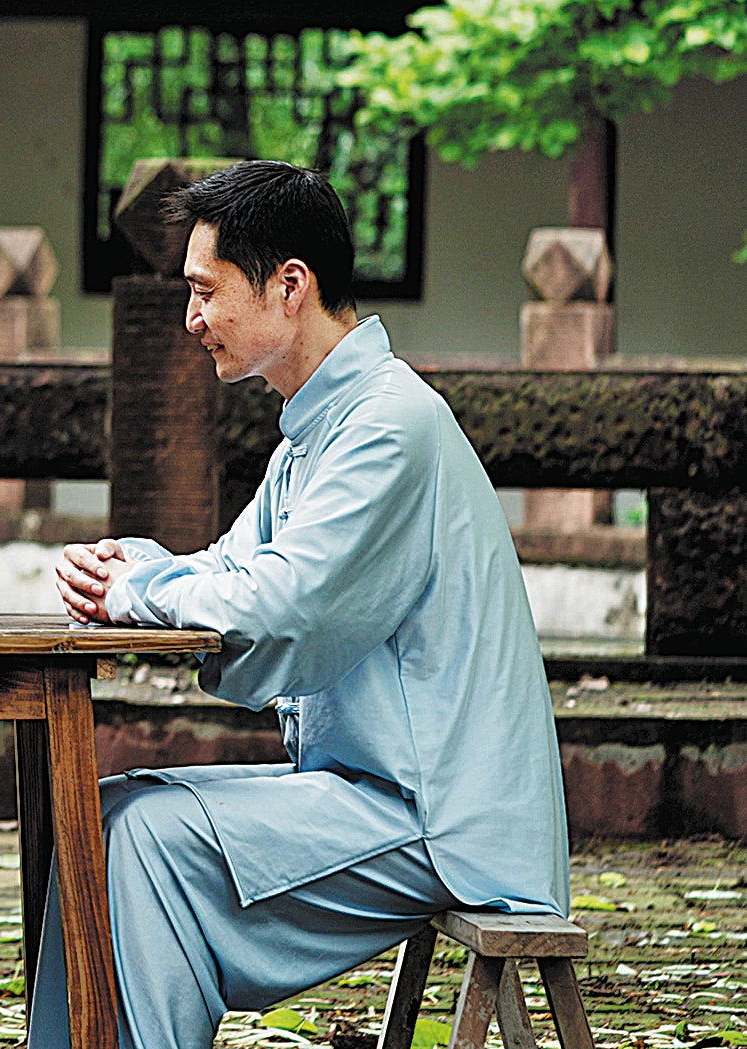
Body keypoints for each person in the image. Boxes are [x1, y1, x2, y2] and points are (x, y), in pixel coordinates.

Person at [35, 161, 568, 1048]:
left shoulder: (390, 422)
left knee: (149, 843)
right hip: (376, 790)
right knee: (104, 813)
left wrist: (141, 592)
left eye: (205, 291)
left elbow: (283, 607)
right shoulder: (322, 430)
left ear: (290, 285)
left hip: (441, 815)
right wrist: (136, 565)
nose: (191, 318)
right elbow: (233, 571)